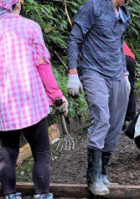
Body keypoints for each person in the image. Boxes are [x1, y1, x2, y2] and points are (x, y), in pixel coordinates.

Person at [0, 0, 68, 199]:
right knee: (41, 152)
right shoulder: (30, 26)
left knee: (8, 153)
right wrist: (56, 96)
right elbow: (42, 65)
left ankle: (10, 194)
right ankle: (42, 194)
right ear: (16, 5)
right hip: (31, 102)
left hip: (4, 106)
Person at [67, 0, 131, 195]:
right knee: (101, 118)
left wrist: (125, 73)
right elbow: (74, 40)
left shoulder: (124, 13)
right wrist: (72, 73)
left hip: (117, 74)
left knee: (115, 124)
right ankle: (92, 178)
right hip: (94, 72)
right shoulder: (92, 7)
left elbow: (120, 45)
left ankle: (102, 172)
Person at [124, 42, 136, 124]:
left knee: (118, 90)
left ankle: (122, 119)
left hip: (118, 59)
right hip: (131, 59)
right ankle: (131, 117)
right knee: (130, 89)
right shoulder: (117, 36)